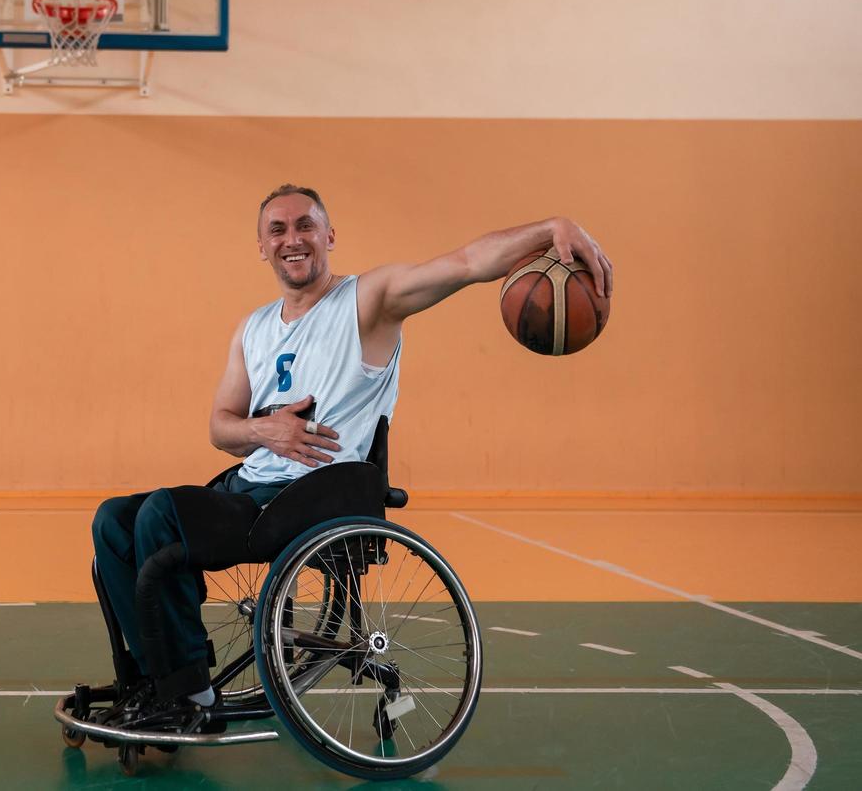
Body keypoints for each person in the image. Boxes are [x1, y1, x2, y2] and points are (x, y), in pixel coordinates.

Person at [91, 183, 612, 716]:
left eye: (305, 226)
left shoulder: (367, 302)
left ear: (329, 236)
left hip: (312, 495)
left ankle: (186, 691)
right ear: (262, 246)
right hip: (250, 488)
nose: (292, 239)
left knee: (162, 516)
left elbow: (466, 263)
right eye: (278, 230)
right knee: (112, 521)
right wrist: (264, 429)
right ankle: (154, 674)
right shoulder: (253, 328)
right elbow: (220, 427)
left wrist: (551, 227)